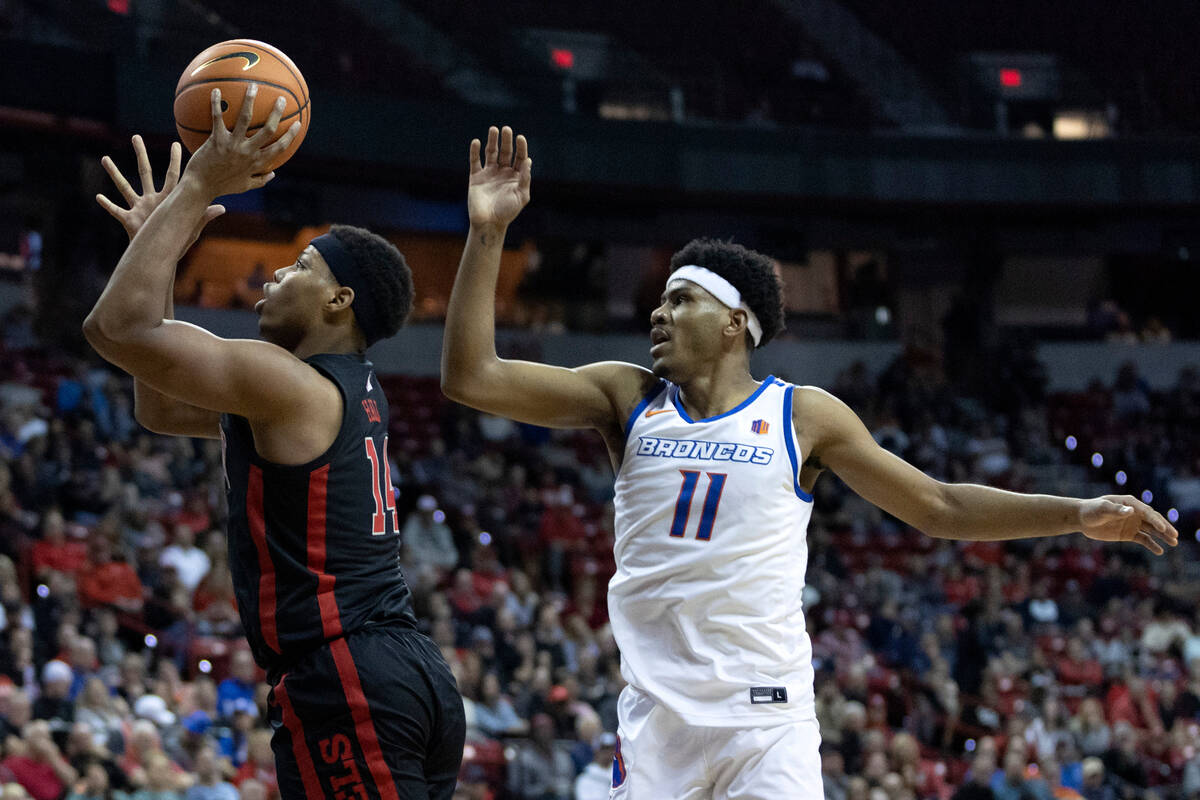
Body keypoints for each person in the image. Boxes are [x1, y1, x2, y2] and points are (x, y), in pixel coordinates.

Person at [440, 125, 1180, 798]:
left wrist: (1077, 513)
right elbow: (471, 377)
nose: (658, 315)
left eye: (680, 300)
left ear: (735, 322)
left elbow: (940, 506)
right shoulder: (625, 396)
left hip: (765, 722)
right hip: (655, 721)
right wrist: (486, 234)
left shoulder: (802, 415)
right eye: (659, 303)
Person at [84, 87, 465, 799]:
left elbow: (115, 332)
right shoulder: (340, 390)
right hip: (397, 670)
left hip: (347, 673)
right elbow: (161, 402)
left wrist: (196, 189)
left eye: (298, 268)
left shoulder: (286, 383)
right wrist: (155, 245)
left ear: (338, 300)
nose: (272, 277)